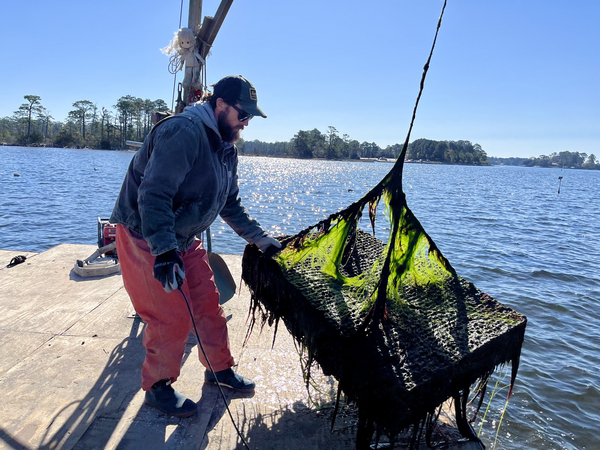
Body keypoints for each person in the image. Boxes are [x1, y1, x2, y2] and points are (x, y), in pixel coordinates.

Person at [110, 75, 281, 417]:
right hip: (147, 238)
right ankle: (157, 388)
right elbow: (153, 194)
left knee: (208, 305)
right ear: (220, 105)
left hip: (184, 239)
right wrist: (163, 252)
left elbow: (229, 203)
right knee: (169, 317)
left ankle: (219, 369)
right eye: (242, 114)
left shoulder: (226, 147)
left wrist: (261, 240)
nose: (246, 123)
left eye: (250, 116)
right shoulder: (183, 132)